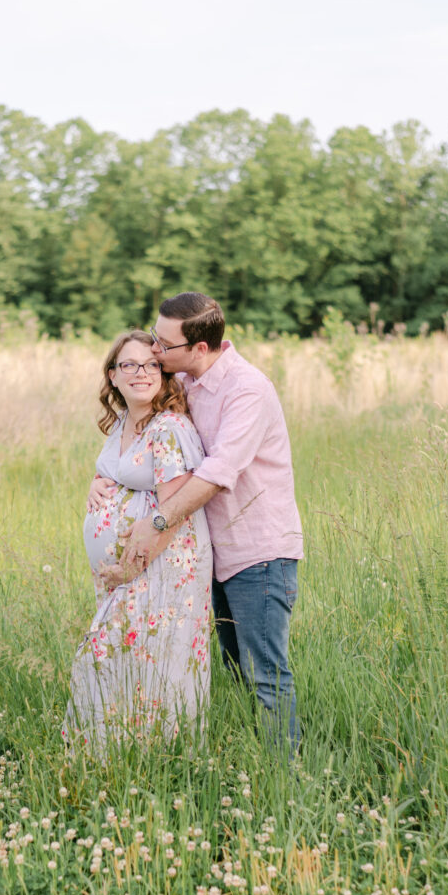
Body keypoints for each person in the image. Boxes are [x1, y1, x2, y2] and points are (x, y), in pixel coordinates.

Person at [95, 293, 303, 751]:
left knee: (265, 674)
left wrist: (156, 521)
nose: (153, 352)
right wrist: (101, 476)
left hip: (258, 552)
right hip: (215, 553)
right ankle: (251, 758)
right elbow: (145, 441)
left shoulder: (247, 389)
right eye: (153, 337)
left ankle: (288, 777)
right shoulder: (187, 381)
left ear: (200, 348)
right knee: (232, 667)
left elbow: (218, 471)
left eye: (163, 346)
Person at [62, 330, 213, 757]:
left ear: (164, 374)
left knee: (125, 658)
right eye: (129, 365)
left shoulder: (169, 428)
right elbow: (125, 473)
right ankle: (124, 757)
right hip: (127, 572)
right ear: (113, 375)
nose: (142, 372)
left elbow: (175, 510)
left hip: (160, 567)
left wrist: (131, 566)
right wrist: (98, 483)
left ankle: (158, 757)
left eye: (151, 364)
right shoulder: (126, 423)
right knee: (129, 661)